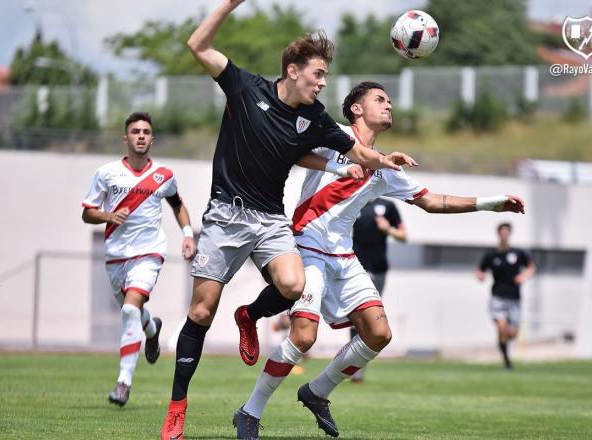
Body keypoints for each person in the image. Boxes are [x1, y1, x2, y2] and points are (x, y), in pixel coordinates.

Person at [160, 1, 416, 438]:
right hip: (225, 216)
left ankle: (250, 315)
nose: (323, 83)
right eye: (318, 74)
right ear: (293, 70)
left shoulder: (315, 118)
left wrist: (381, 159)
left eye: (325, 77)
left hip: (270, 219)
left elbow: (355, 150)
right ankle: (177, 406)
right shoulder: (245, 87)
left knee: (294, 285)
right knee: (201, 311)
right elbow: (197, 44)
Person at [233, 81, 526, 439]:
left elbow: (434, 201)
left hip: (343, 255)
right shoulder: (333, 134)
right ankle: (250, 411)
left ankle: (317, 391)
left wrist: (488, 202)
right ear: (356, 109)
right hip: (307, 245)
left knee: (379, 333)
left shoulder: (387, 168)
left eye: (389, 100)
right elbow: (290, 149)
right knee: (304, 336)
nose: (389, 105)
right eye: (380, 100)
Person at [82, 112, 196, 407]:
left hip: (150, 251)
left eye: (146, 131)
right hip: (116, 255)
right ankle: (152, 329)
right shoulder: (106, 173)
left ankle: (124, 383)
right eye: (135, 131)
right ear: (126, 138)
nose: (141, 135)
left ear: (152, 138)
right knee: (133, 312)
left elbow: (177, 203)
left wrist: (187, 234)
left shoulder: (164, 175)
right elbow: (87, 213)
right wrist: (109, 215)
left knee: (130, 311)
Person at [349, 198, 406, 382]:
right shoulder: (353, 200)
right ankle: (354, 367)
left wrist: (388, 229)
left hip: (379, 269)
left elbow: (403, 236)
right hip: (356, 269)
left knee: (371, 319)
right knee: (355, 318)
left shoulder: (387, 206)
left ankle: (358, 365)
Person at [476, 222, 535, 369]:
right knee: (502, 328)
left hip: (514, 297)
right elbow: (480, 270)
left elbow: (531, 267)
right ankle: (507, 361)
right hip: (497, 296)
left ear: (509, 234)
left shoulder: (518, 253)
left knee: (513, 334)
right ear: (498, 234)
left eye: (507, 232)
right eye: (502, 232)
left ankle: (505, 350)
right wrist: (480, 276)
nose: (504, 235)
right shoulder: (491, 255)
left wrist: (524, 276)